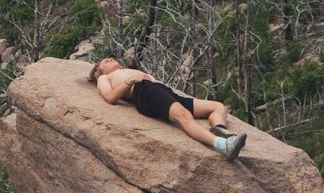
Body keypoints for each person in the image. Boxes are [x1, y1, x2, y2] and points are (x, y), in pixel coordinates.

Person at [88, 57, 247, 161]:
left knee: (218, 106)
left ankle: (220, 129)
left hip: (161, 91)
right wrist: (130, 81)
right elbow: (109, 97)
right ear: (100, 71)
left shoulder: (127, 70)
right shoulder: (104, 78)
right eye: (105, 61)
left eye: (109, 58)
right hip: (144, 92)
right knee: (183, 116)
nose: (110, 59)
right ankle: (223, 145)